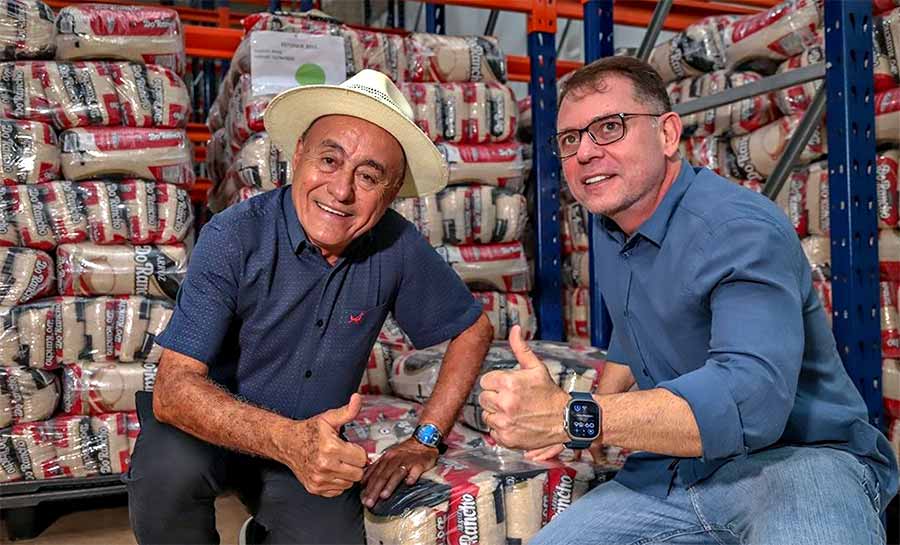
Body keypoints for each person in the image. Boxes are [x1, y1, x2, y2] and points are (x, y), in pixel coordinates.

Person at [479, 56, 898, 544]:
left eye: (610, 127)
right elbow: (636, 324)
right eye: (570, 139)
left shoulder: (739, 229)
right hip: (673, 471)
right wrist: (596, 406)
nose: (586, 152)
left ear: (667, 134)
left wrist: (576, 417)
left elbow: (750, 402)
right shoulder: (613, 224)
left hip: (797, 462)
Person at [126, 69, 493, 545]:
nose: (341, 190)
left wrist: (426, 439)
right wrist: (285, 439)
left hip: (311, 446)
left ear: (392, 191)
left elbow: (473, 329)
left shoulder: (397, 247)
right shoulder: (234, 235)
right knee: (164, 473)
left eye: (369, 176)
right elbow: (173, 390)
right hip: (210, 430)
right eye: (329, 160)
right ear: (298, 153)